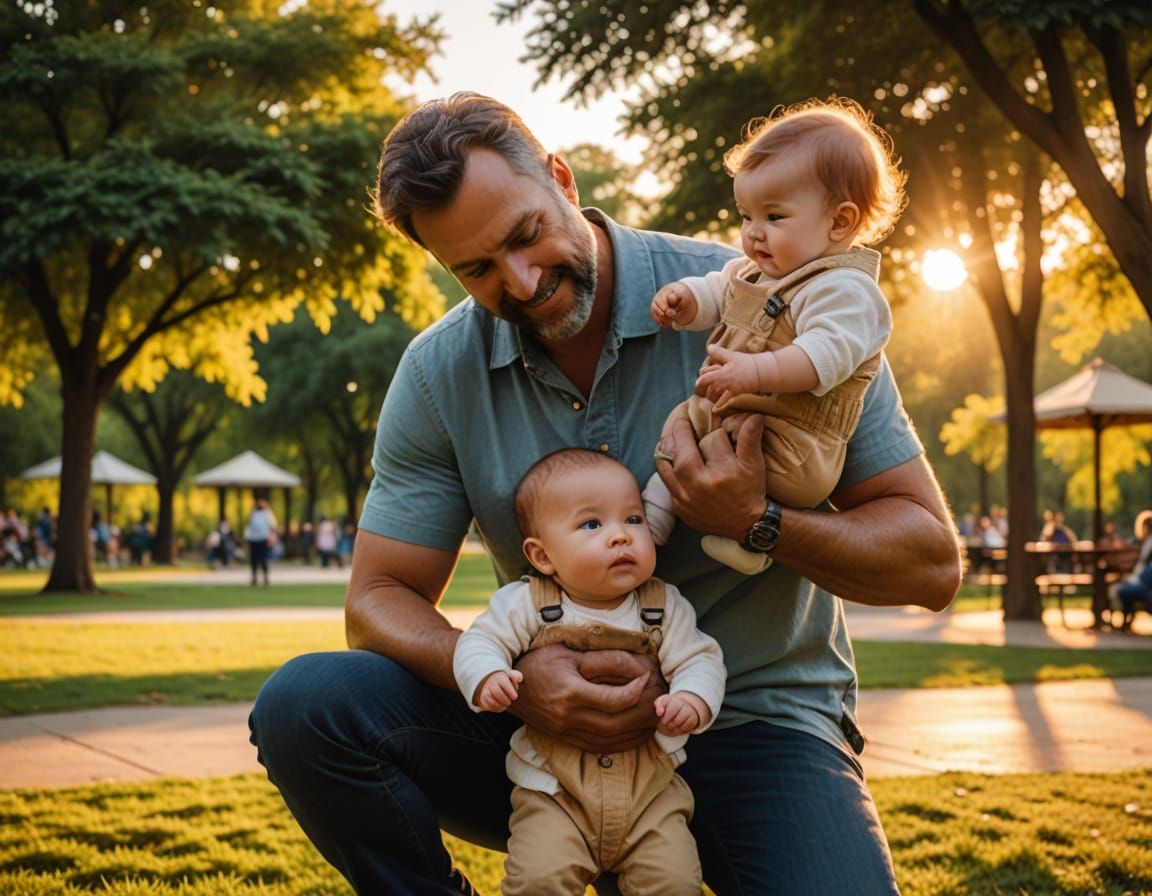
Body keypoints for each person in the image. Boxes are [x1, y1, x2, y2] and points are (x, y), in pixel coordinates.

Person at [248, 92, 962, 895]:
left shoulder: (774, 294)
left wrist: (756, 521)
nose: (521, 281)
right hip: (546, 741)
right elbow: (376, 598)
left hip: (754, 727)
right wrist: (519, 683)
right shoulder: (436, 373)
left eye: (526, 235)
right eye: (477, 269)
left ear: (559, 177)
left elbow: (931, 565)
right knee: (307, 705)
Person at [644, 98, 905, 575]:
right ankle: (655, 517)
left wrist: (754, 371)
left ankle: (749, 540)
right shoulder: (756, 271)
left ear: (840, 221)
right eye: (746, 216)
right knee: (683, 424)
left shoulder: (845, 290)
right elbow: (719, 289)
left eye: (774, 217)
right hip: (741, 417)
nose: (753, 234)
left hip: (793, 443)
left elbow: (823, 354)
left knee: (718, 446)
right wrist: (686, 298)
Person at [455, 449, 725, 895]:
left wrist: (692, 699)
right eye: (592, 525)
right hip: (553, 792)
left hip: (651, 795)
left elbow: (701, 659)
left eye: (633, 519)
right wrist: (487, 676)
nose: (620, 537)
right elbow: (479, 641)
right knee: (538, 880)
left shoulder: (662, 606)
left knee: (675, 880)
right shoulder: (528, 604)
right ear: (542, 555)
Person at [1117, 510, 1152, 632]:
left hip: (1144, 581)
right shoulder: (1145, 543)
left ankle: (1126, 623)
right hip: (1141, 579)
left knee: (1123, 590)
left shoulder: (1149, 543)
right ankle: (1127, 623)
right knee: (1123, 588)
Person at [244, 498, 277, 587]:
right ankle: (254, 578)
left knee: (263, 560)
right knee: (253, 560)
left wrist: (271, 539)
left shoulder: (268, 513)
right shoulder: (253, 513)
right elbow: (249, 527)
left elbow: (273, 526)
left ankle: (265, 577)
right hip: (254, 540)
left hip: (263, 539)